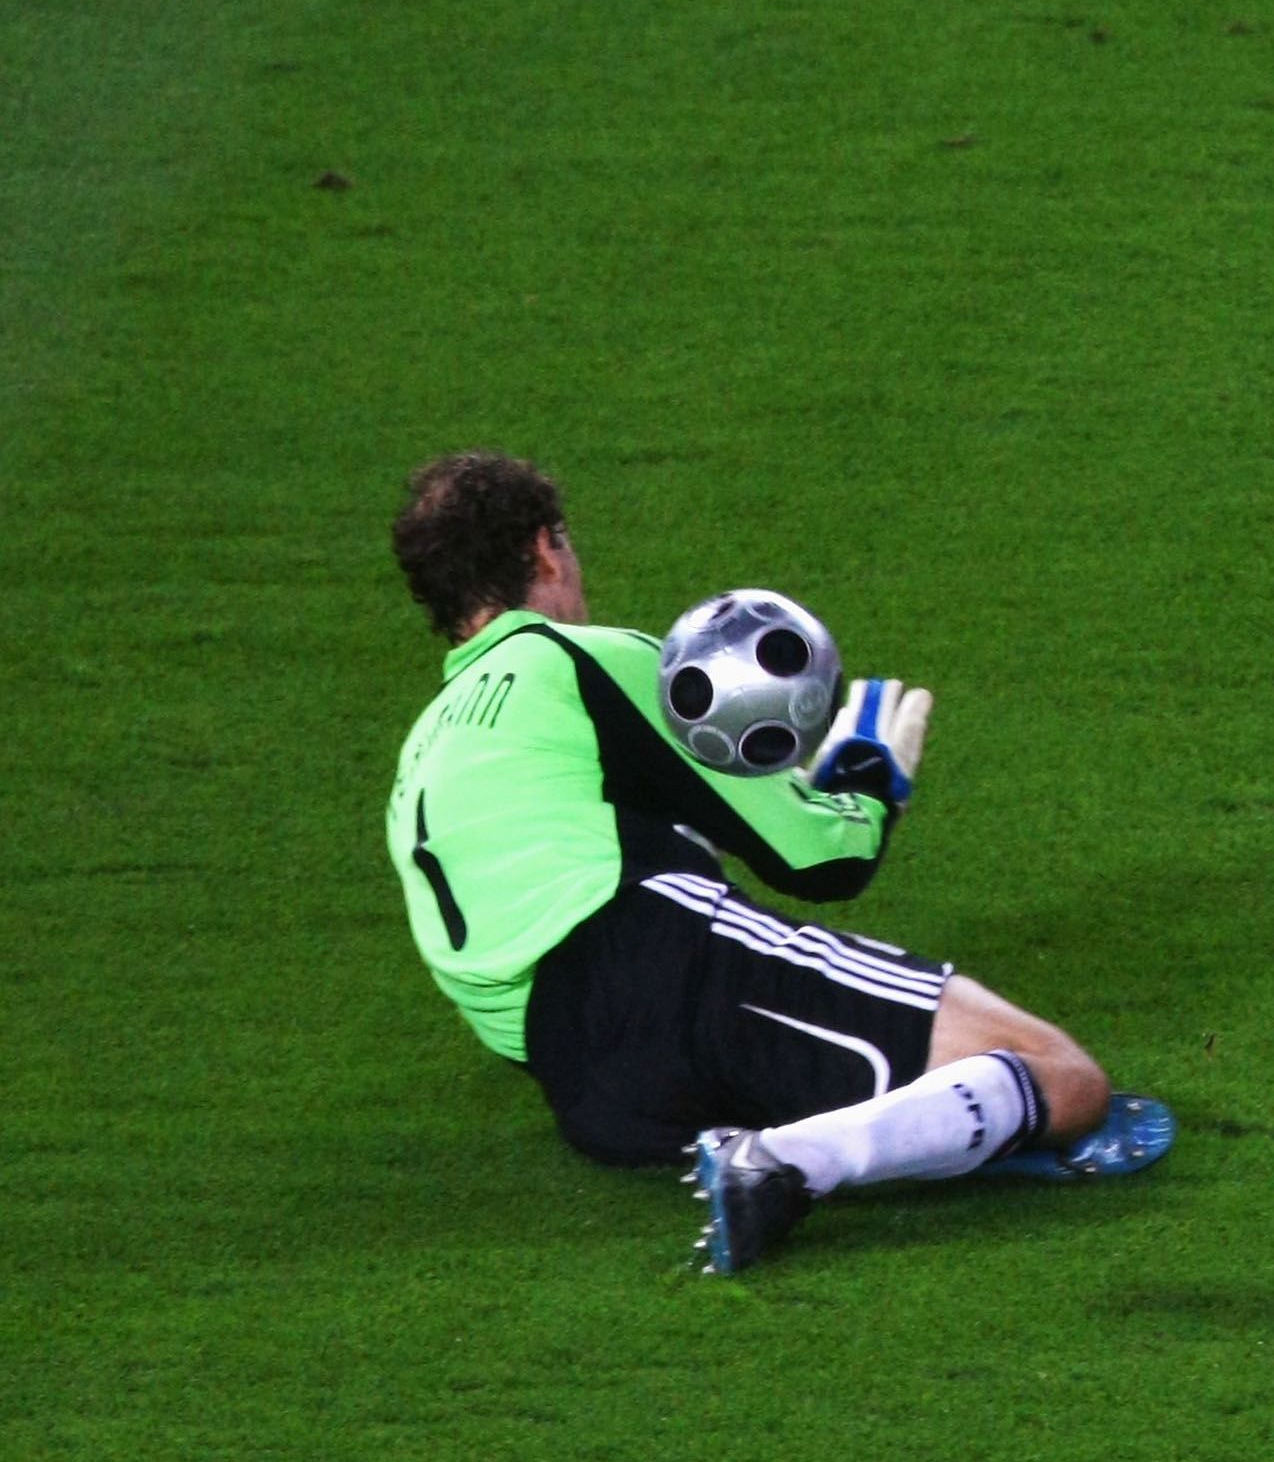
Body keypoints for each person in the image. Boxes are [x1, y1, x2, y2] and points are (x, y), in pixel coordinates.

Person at [385, 450, 1172, 1272]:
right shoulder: (571, 659)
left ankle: (794, 1146)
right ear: (546, 548)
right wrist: (866, 783)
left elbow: (593, 874)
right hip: (670, 961)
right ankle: (784, 1164)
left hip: (597, 1098)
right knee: (1064, 1078)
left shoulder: (422, 759)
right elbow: (823, 860)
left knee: (919, 1096)